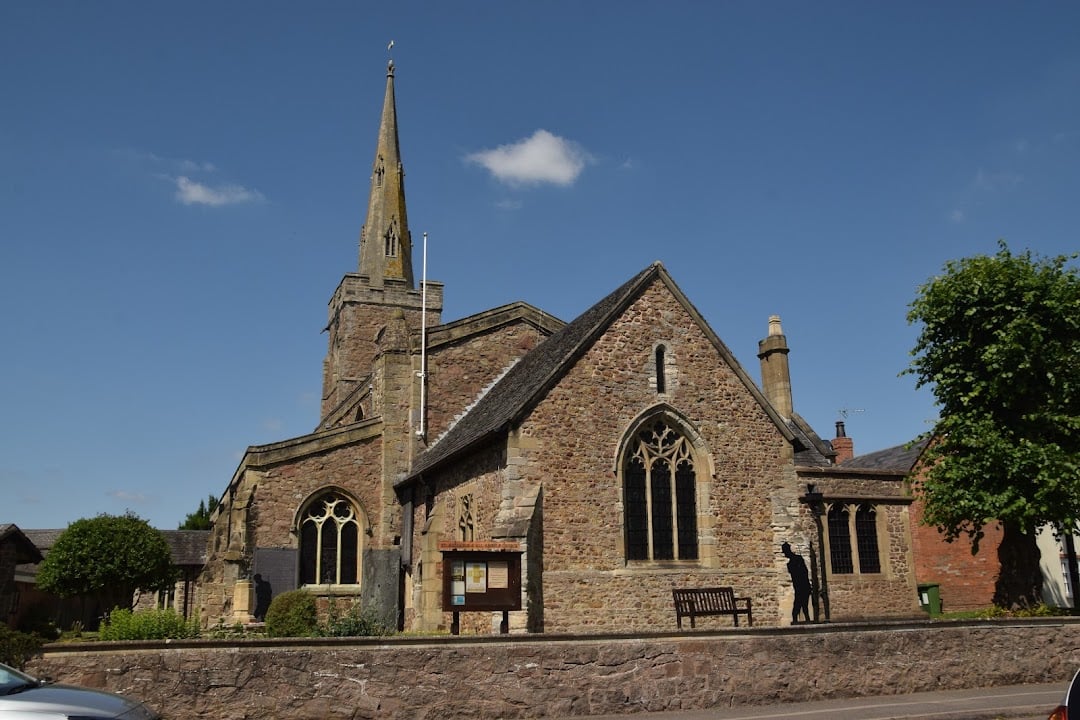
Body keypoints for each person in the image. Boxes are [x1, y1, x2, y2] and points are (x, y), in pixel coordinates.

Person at [782, 542, 812, 623]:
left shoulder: (796, 561)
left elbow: (804, 572)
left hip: (802, 586)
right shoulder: (792, 563)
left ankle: (805, 622)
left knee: (802, 607)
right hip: (800, 587)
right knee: (800, 607)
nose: (785, 554)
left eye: (785, 552)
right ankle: (803, 621)